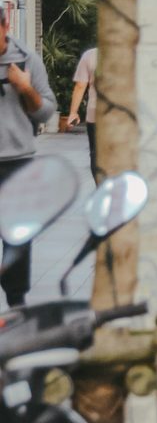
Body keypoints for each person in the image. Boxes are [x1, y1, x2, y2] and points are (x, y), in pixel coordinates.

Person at [0, 16, 56, 305]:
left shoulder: (26, 60)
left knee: (17, 237)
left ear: (5, 26)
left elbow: (46, 110)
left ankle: (16, 302)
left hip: (17, 161)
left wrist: (24, 88)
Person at [66, 45, 98, 180]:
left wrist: (73, 112)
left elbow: (80, 86)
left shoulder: (90, 55)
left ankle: (102, 187)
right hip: (123, 116)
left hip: (96, 114)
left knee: (96, 154)